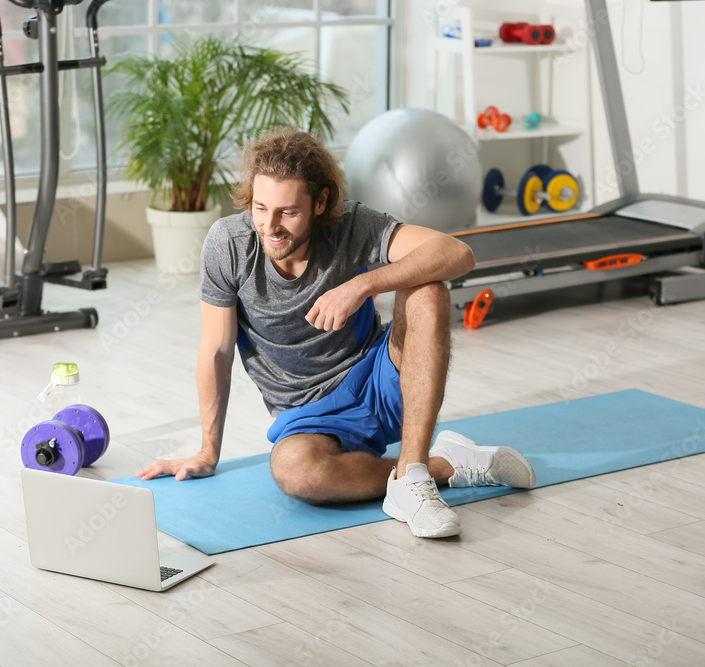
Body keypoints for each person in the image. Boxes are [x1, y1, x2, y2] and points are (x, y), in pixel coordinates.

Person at [137, 129, 535, 538]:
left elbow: (456, 253)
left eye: (288, 212)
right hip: (308, 416)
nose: (270, 226)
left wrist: (361, 285)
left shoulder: (350, 224)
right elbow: (217, 350)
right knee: (298, 474)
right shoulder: (229, 244)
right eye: (260, 208)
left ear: (321, 201)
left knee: (429, 290)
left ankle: (412, 480)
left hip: (381, 379)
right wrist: (208, 451)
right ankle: (443, 466)